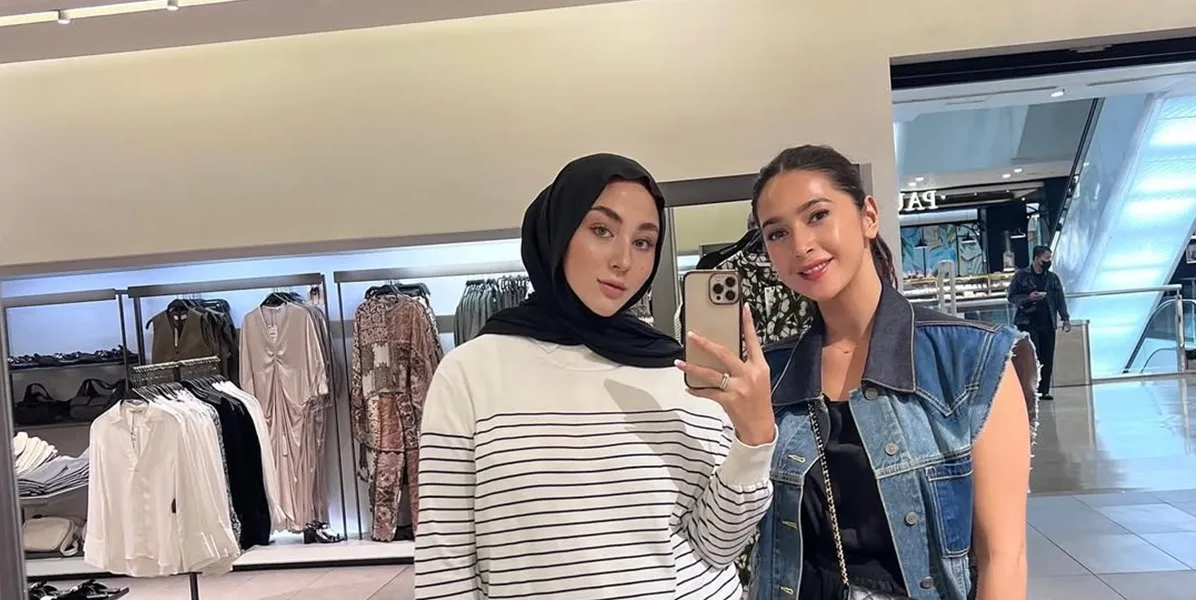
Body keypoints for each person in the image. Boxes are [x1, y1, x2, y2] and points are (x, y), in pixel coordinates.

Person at [415, 153, 778, 600]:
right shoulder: (471, 374)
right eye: (602, 230)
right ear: (559, 231)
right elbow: (445, 566)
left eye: (643, 242)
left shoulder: (680, 373)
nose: (623, 260)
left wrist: (754, 439)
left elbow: (716, 546)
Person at [719, 145, 1034, 600]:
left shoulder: (971, 359)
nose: (801, 246)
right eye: (778, 233)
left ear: (868, 216)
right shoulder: (774, 375)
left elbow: (1004, 557)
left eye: (817, 216)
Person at [1007, 246, 1071, 400]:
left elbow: (1060, 299)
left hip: (1048, 322)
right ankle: (1031, 389)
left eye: (1049, 258)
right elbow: (1012, 297)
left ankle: (1044, 390)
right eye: (1046, 258)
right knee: (1032, 356)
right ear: (1036, 258)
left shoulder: (1053, 278)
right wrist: (1028, 298)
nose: (1049, 261)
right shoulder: (1021, 276)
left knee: (1047, 356)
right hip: (1027, 322)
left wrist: (1065, 318)